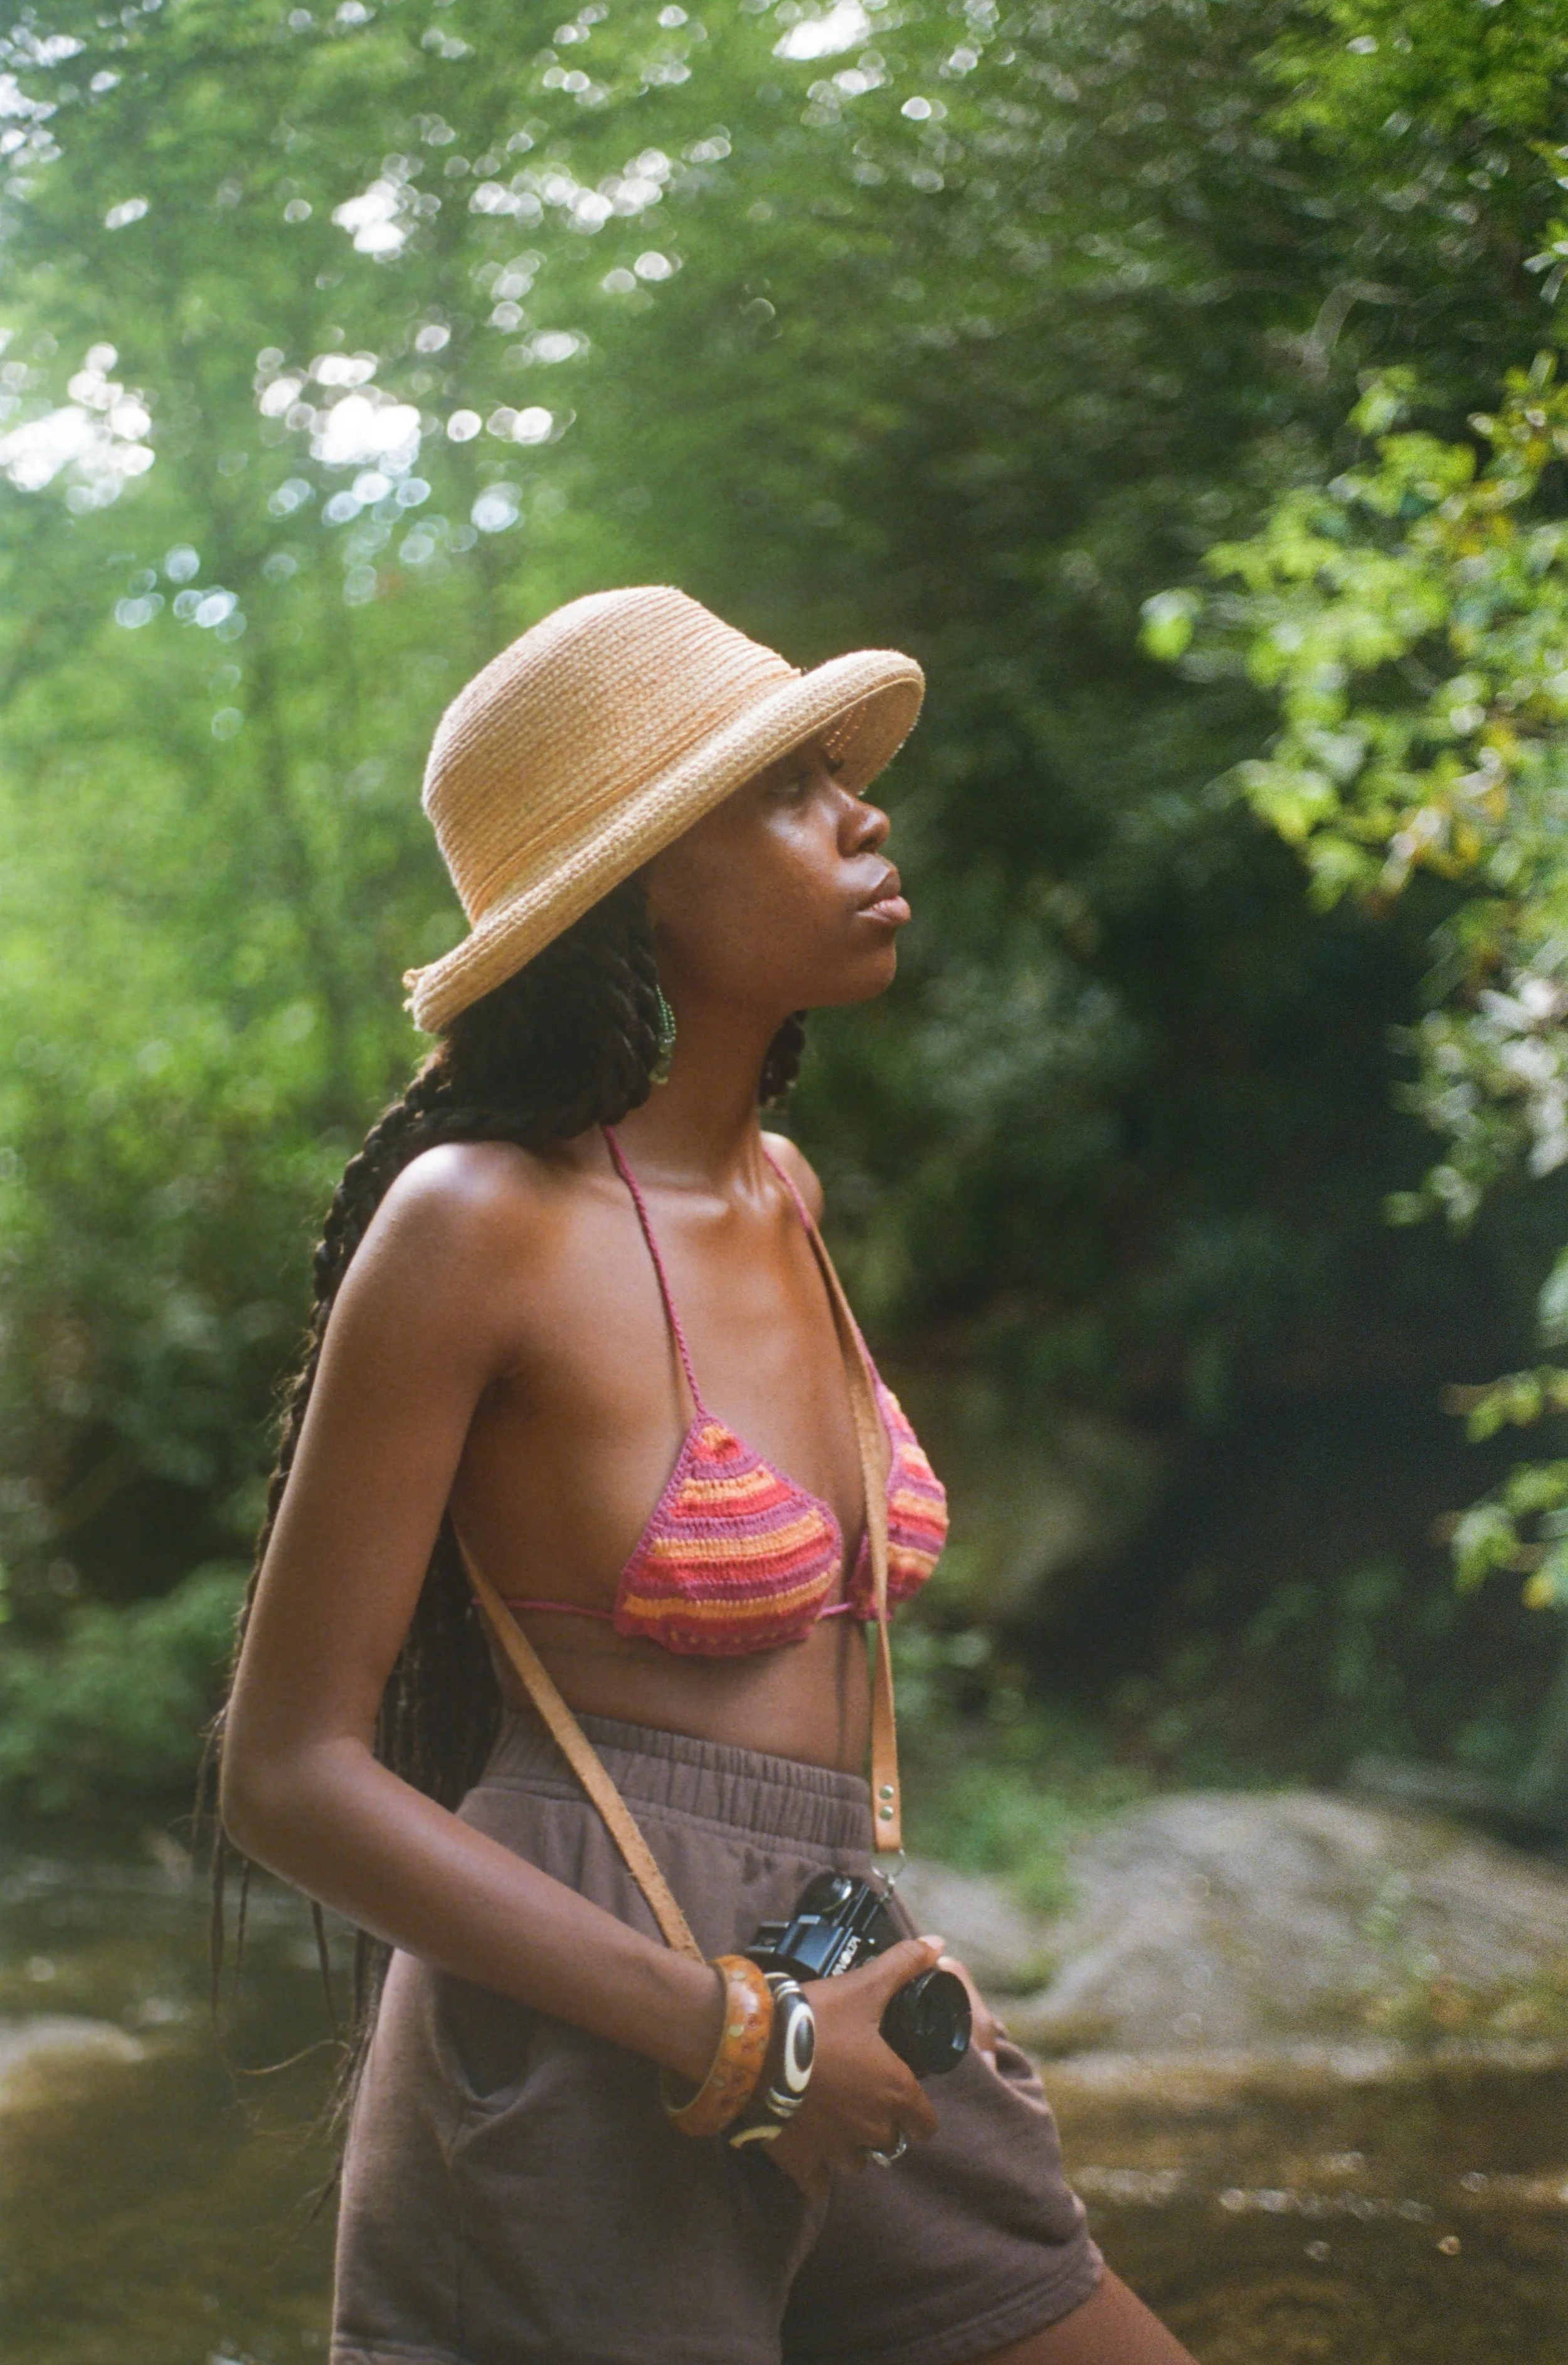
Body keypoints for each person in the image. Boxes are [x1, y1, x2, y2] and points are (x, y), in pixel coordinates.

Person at [218, 587, 1197, 2365]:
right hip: (584, 2034)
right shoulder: (477, 1229)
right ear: (633, 884)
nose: (863, 816)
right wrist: (731, 2040)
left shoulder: (791, 1195)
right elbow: (286, 1774)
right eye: (780, 790)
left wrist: (807, 2027)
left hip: (849, 1971)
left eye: (837, 776)